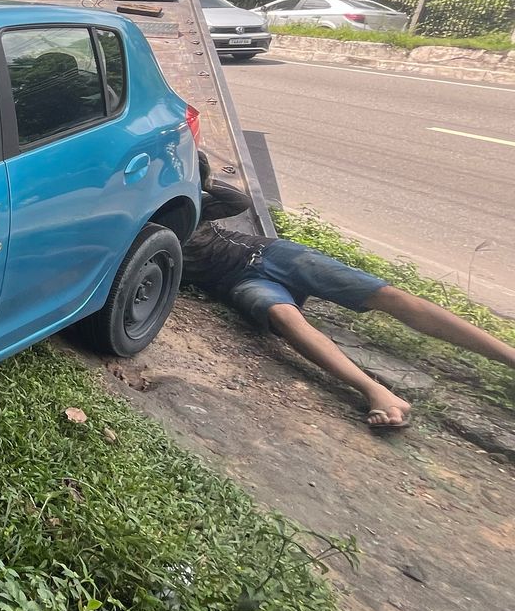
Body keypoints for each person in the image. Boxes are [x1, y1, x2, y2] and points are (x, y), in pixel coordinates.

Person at [185, 152, 515, 428]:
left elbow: (238, 201)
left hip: (270, 254)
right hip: (238, 283)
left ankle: (508, 357)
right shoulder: (144, 226)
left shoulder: (189, 204)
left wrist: (205, 182)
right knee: (284, 318)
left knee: (389, 296)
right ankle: (377, 392)